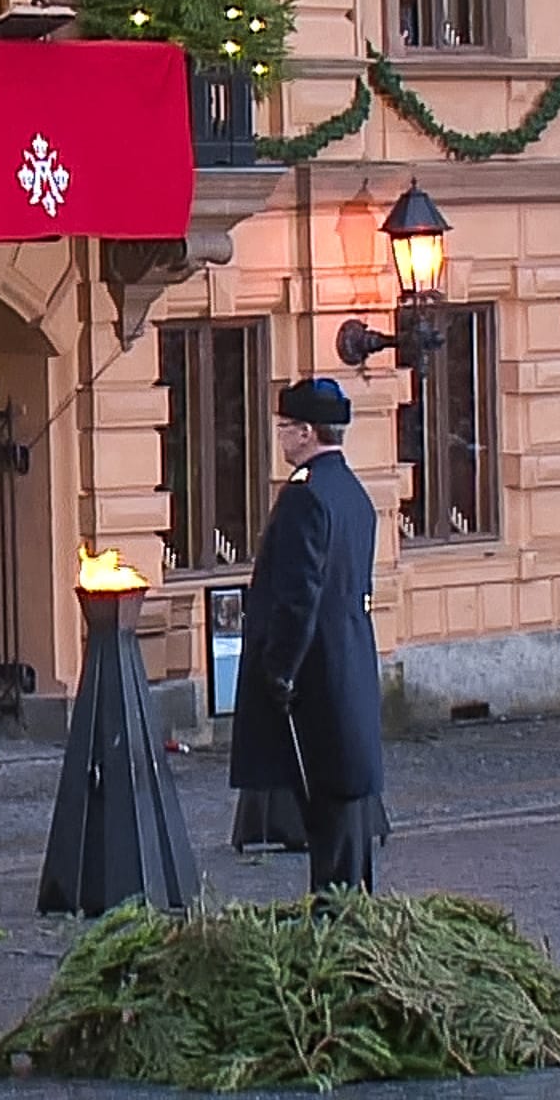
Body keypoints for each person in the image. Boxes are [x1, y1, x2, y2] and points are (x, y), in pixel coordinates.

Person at [231, 378, 382, 896]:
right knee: (349, 801)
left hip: (314, 673)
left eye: (284, 429)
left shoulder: (305, 497)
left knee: (327, 804)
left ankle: (337, 915)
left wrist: (279, 671)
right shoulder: (353, 493)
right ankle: (353, 906)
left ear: (304, 432)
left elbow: (299, 595)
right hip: (351, 663)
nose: (281, 440)